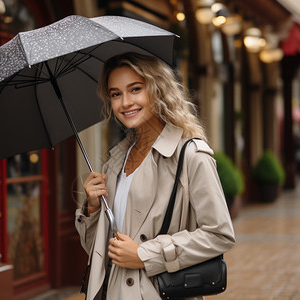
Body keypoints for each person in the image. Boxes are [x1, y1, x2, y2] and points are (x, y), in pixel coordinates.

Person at [75, 52, 235, 299]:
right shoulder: (115, 162)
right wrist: (93, 209)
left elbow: (219, 234)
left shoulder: (191, 155)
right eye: (116, 94)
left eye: (135, 89)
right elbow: (101, 251)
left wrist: (145, 255)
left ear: (157, 89)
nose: (125, 102)